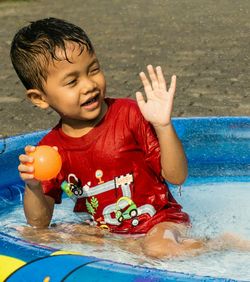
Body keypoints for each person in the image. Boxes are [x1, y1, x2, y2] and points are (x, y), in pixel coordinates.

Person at [11, 17, 248, 259]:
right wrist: (33, 186)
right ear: (40, 98)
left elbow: (177, 177)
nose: (89, 85)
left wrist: (163, 125)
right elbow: (39, 222)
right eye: (72, 81)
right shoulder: (51, 149)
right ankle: (131, 248)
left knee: (158, 248)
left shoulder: (129, 115)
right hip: (107, 230)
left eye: (93, 69)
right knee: (34, 236)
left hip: (160, 222)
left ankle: (221, 243)